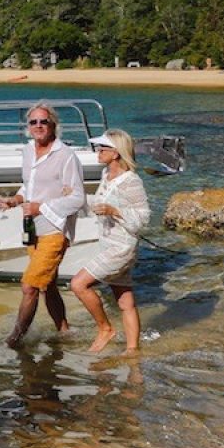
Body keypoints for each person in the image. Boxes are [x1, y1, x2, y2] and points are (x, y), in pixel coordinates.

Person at [0, 103, 86, 348]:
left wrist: (40, 208)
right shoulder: (27, 151)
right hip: (33, 230)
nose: (38, 126)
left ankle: (14, 340)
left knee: (30, 286)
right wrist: (14, 200)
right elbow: (30, 188)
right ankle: (65, 332)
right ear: (28, 127)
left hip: (55, 230)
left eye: (43, 122)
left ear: (53, 125)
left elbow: (78, 198)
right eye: (33, 122)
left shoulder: (65, 155)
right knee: (47, 286)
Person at [70, 129, 150, 354]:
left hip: (121, 248)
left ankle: (105, 329)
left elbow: (143, 218)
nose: (98, 151)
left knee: (78, 284)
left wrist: (115, 210)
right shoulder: (107, 175)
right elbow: (98, 206)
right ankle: (133, 352)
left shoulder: (131, 181)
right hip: (109, 244)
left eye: (102, 147)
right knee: (125, 302)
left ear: (116, 153)